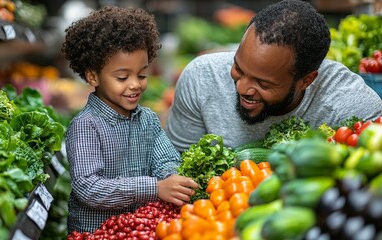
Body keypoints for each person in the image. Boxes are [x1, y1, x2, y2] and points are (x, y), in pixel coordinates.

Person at [165, 0, 382, 153]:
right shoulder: (201, 78)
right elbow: (175, 169)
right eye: (239, 68)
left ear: (307, 80)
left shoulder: (353, 107)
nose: (243, 88)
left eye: (262, 83)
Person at [61, 6, 198, 233]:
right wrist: (154, 188)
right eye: (123, 77)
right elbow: (88, 187)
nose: (135, 84)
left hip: (140, 229)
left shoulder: (149, 120)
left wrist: (172, 178)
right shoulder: (86, 125)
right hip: (96, 233)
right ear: (93, 76)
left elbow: (165, 159)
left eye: (142, 74)